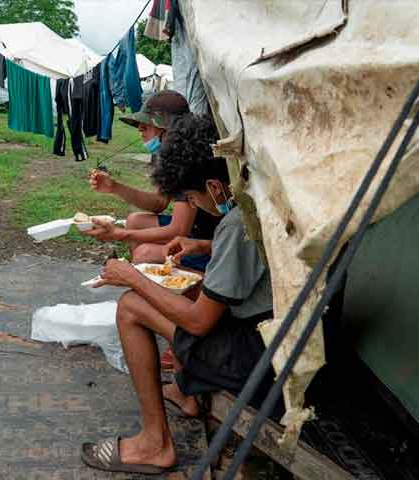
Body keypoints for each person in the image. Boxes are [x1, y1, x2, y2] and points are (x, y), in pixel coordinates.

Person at [80, 113, 279, 474]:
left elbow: (200, 322)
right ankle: (185, 393)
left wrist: (130, 276)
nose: (192, 202)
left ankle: (154, 443)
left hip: (259, 358)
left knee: (130, 306)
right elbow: (262, 260)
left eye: (190, 196)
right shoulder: (264, 198)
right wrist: (203, 245)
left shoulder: (237, 223)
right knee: (185, 283)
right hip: (279, 337)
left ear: (214, 188)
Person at [84, 90, 219, 271]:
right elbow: (159, 203)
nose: (139, 128)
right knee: (135, 220)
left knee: (145, 253)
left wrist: (120, 234)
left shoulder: (185, 157)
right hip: (197, 228)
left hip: (209, 238)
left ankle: (181, 286)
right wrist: (114, 187)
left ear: (166, 127)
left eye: (146, 124)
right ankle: (149, 277)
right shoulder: (166, 151)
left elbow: (179, 230)